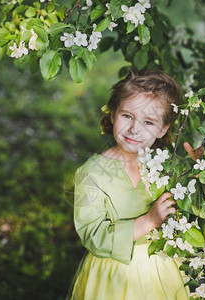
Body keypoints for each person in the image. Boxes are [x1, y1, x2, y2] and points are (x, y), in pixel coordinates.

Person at [68, 70, 191, 300]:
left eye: (148, 122)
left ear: (163, 129)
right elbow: (94, 235)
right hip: (113, 274)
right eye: (127, 116)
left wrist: (204, 173)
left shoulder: (165, 166)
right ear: (113, 114)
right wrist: (149, 221)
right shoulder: (91, 173)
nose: (135, 129)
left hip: (160, 269)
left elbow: (195, 205)